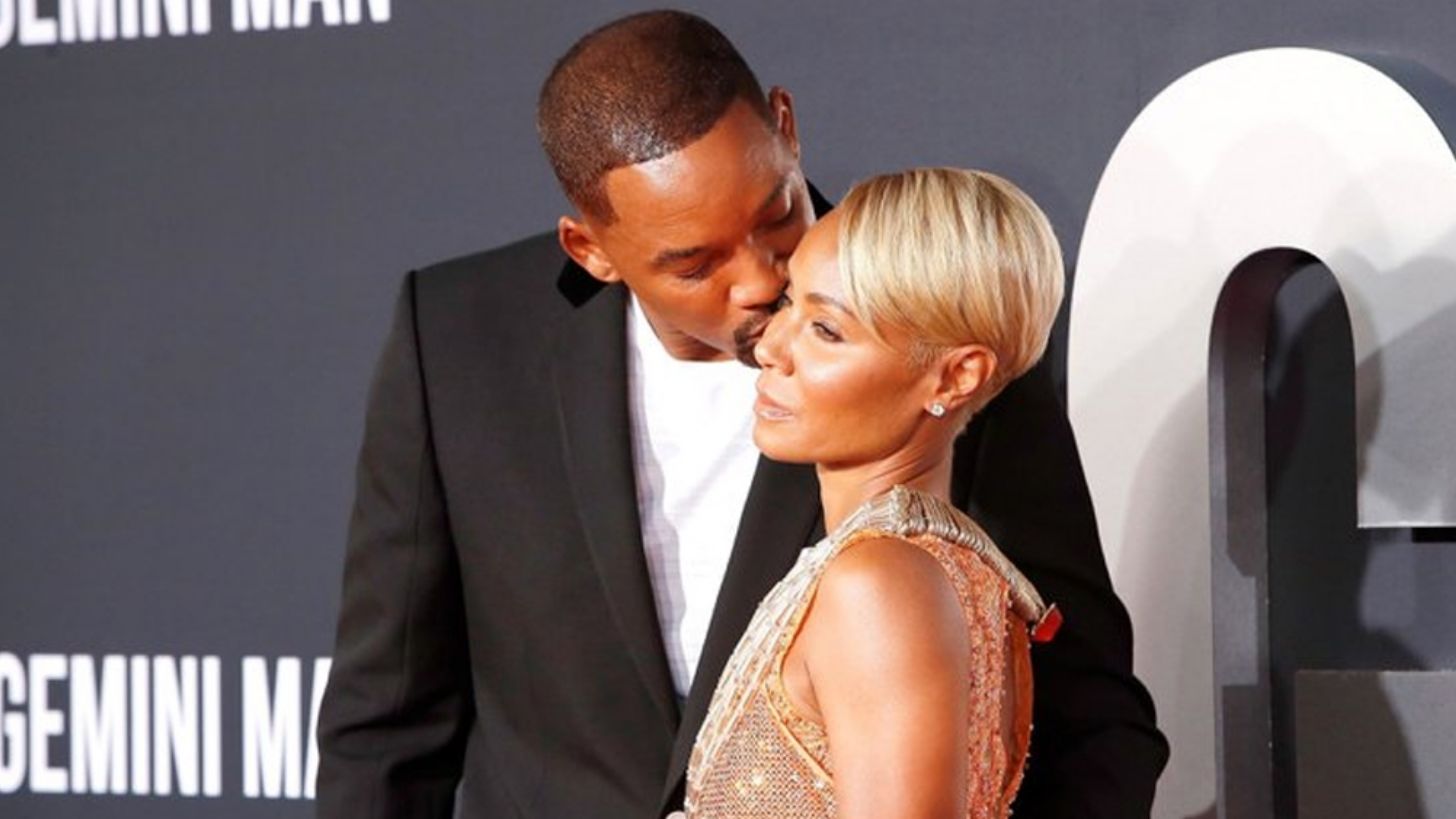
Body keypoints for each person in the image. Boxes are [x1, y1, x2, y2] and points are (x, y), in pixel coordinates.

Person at [316, 10, 1167, 819]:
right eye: (696, 265)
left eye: (777, 214)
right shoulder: (455, 338)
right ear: (591, 250)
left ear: (786, 128)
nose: (763, 283)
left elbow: (1093, 720)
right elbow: (386, 728)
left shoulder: (930, 321)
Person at [685, 167, 1063, 819]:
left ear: (955, 377)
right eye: (789, 303)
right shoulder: (927, 566)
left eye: (826, 330)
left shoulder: (879, 584)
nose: (771, 347)